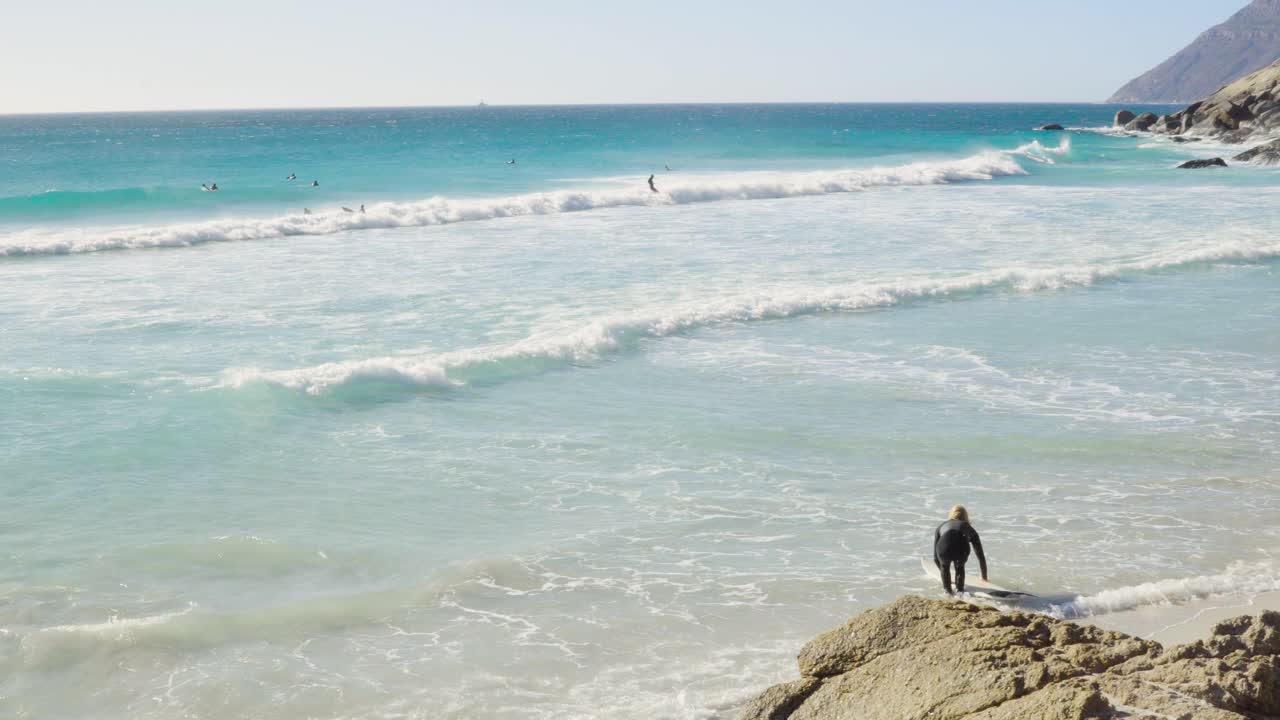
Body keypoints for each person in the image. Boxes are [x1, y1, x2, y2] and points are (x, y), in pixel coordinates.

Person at [933, 505, 987, 595]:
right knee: (959, 567)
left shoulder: (940, 526)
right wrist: (984, 577)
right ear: (965, 516)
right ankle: (960, 592)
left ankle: (948, 592)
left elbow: (935, 558)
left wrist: (943, 571)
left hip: (943, 549)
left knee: (945, 566)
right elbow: (980, 556)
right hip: (961, 550)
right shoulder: (966, 526)